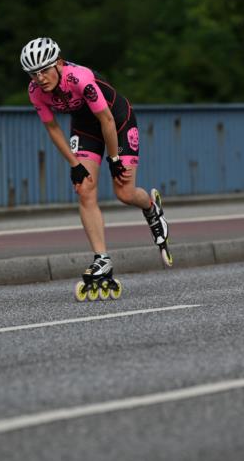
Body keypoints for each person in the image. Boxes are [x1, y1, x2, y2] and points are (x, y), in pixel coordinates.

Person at [20, 36, 171, 291]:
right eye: (33, 74)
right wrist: (74, 164)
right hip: (85, 127)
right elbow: (53, 128)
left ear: (58, 63)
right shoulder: (36, 92)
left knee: (123, 191)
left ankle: (151, 206)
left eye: (44, 70)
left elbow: (108, 121)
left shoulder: (79, 79)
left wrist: (114, 160)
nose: (40, 78)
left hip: (117, 120)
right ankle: (102, 259)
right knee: (84, 188)